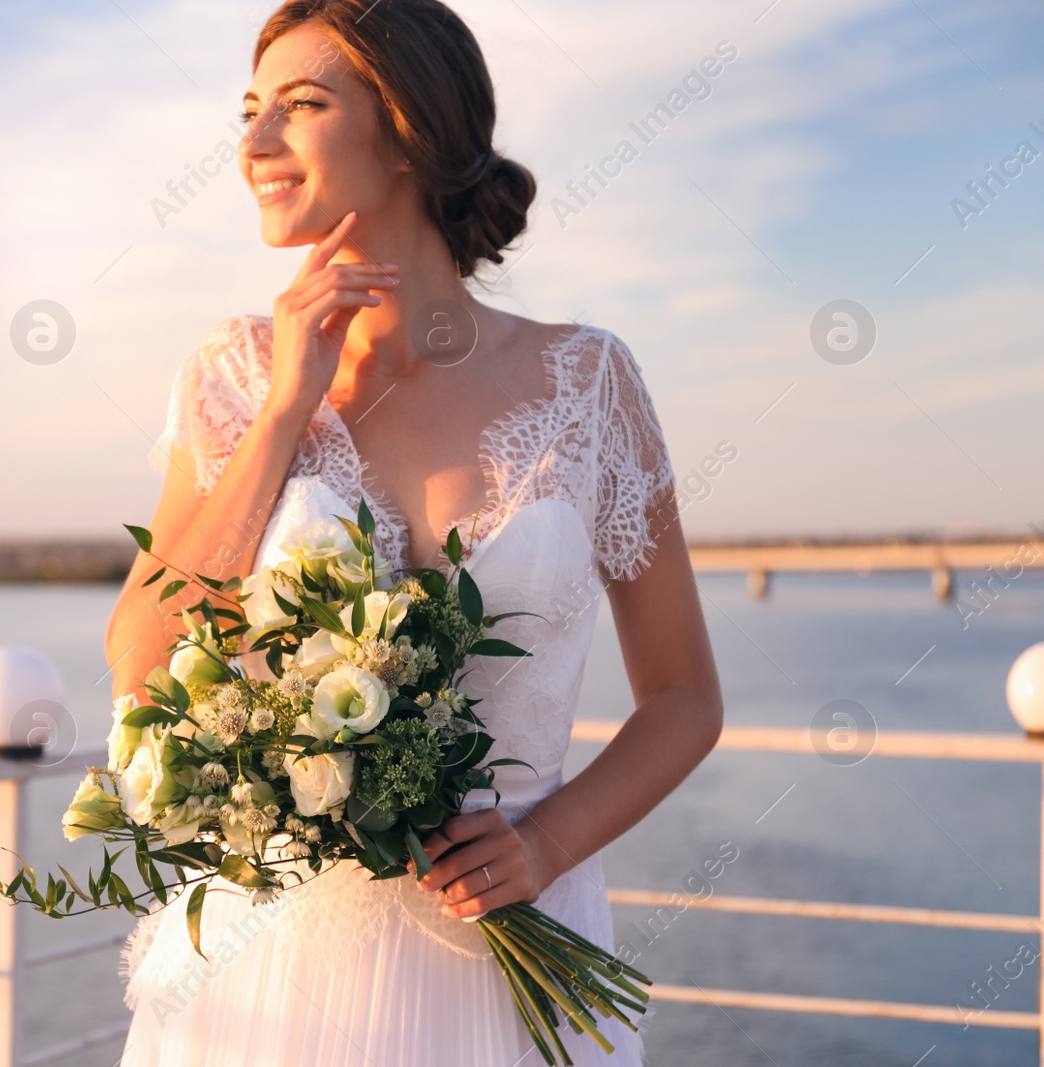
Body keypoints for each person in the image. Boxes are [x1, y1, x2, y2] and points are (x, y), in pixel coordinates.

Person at [103, 1, 723, 1062]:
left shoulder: (591, 382)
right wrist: (286, 409)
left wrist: (544, 841)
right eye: (248, 112)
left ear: (407, 126)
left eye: (299, 107)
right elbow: (141, 656)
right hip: (278, 962)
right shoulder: (234, 372)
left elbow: (682, 698)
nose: (253, 143)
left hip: (507, 952)